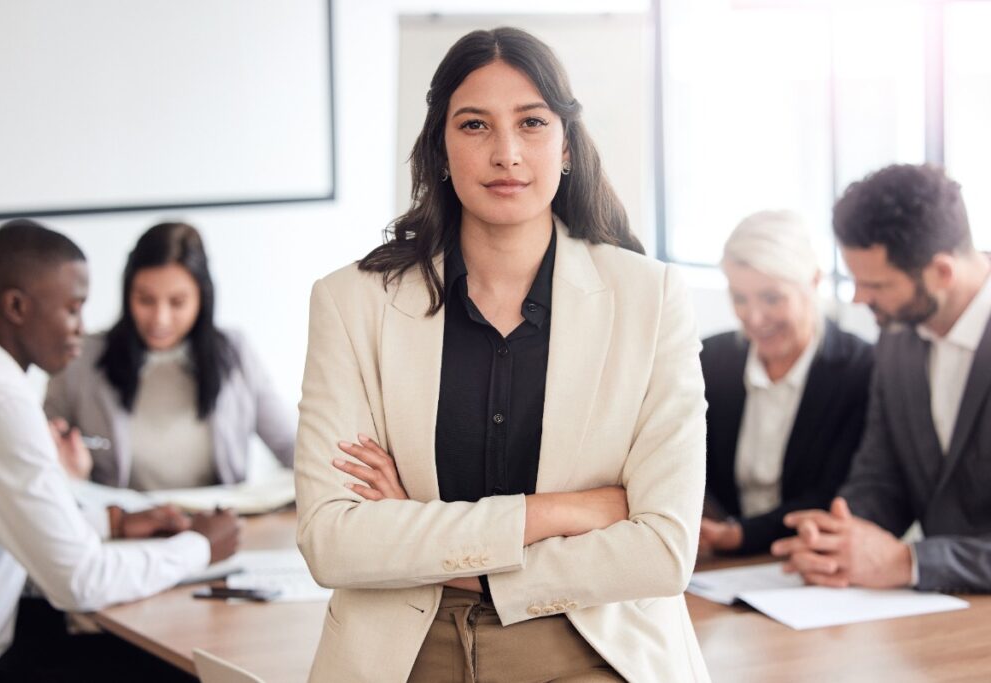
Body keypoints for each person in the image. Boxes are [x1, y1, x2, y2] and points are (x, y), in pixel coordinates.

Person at [295, 27, 708, 682]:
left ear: (566, 145)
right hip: (404, 654)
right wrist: (553, 513)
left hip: (596, 651)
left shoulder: (649, 299)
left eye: (532, 123)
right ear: (440, 148)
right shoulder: (352, 302)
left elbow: (662, 550)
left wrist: (419, 538)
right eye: (474, 125)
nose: (506, 153)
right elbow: (332, 543)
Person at [0, 219, 240, 681]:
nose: (81, 327)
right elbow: (80, 581)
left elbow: (12, 517)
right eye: (73, 309)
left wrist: (114, 522)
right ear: (16, 307)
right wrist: (200, 547)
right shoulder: (0, 406)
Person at [772, 163, 991, 592]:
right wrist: (838, 537)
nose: (859, 298)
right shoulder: (896, 340)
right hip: (934, 615)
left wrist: (909, 562)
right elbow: (881, 477)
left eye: (876, 284)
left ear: (942, 272)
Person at [44, 221, 294, 490]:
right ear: (128, 294)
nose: (160, 319)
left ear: (202, 298)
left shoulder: (235, 352)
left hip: (218, 515)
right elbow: (39, 457)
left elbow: (290, 445)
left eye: (177, 303)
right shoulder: (80, 358)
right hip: (119, 516)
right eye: (146, 300)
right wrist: (70, 476)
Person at [699, 211, 872, 555]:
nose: (754, 318)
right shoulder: (710, 359)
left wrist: (739, 536)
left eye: (771, 298)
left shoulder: (860, 368)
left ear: (814, 282)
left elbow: (839, 492)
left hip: (812, 555)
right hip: (717, 562)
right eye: (740, 298)